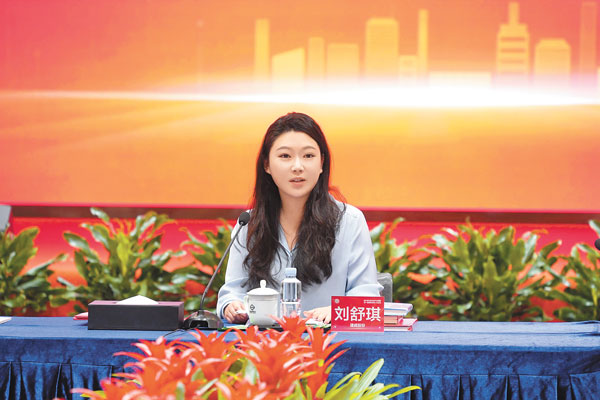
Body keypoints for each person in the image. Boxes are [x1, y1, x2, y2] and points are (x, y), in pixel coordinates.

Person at [216, 112, 381, 324]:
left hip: (329, 340)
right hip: (264, 341)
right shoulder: (249, 224)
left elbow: (367, 296)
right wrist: (232, 306)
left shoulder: (349, 221)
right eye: (285, 156)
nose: (297, 166)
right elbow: (232, 292)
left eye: (308, 156)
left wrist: (337, 311)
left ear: (322, 163)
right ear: (266, 165)